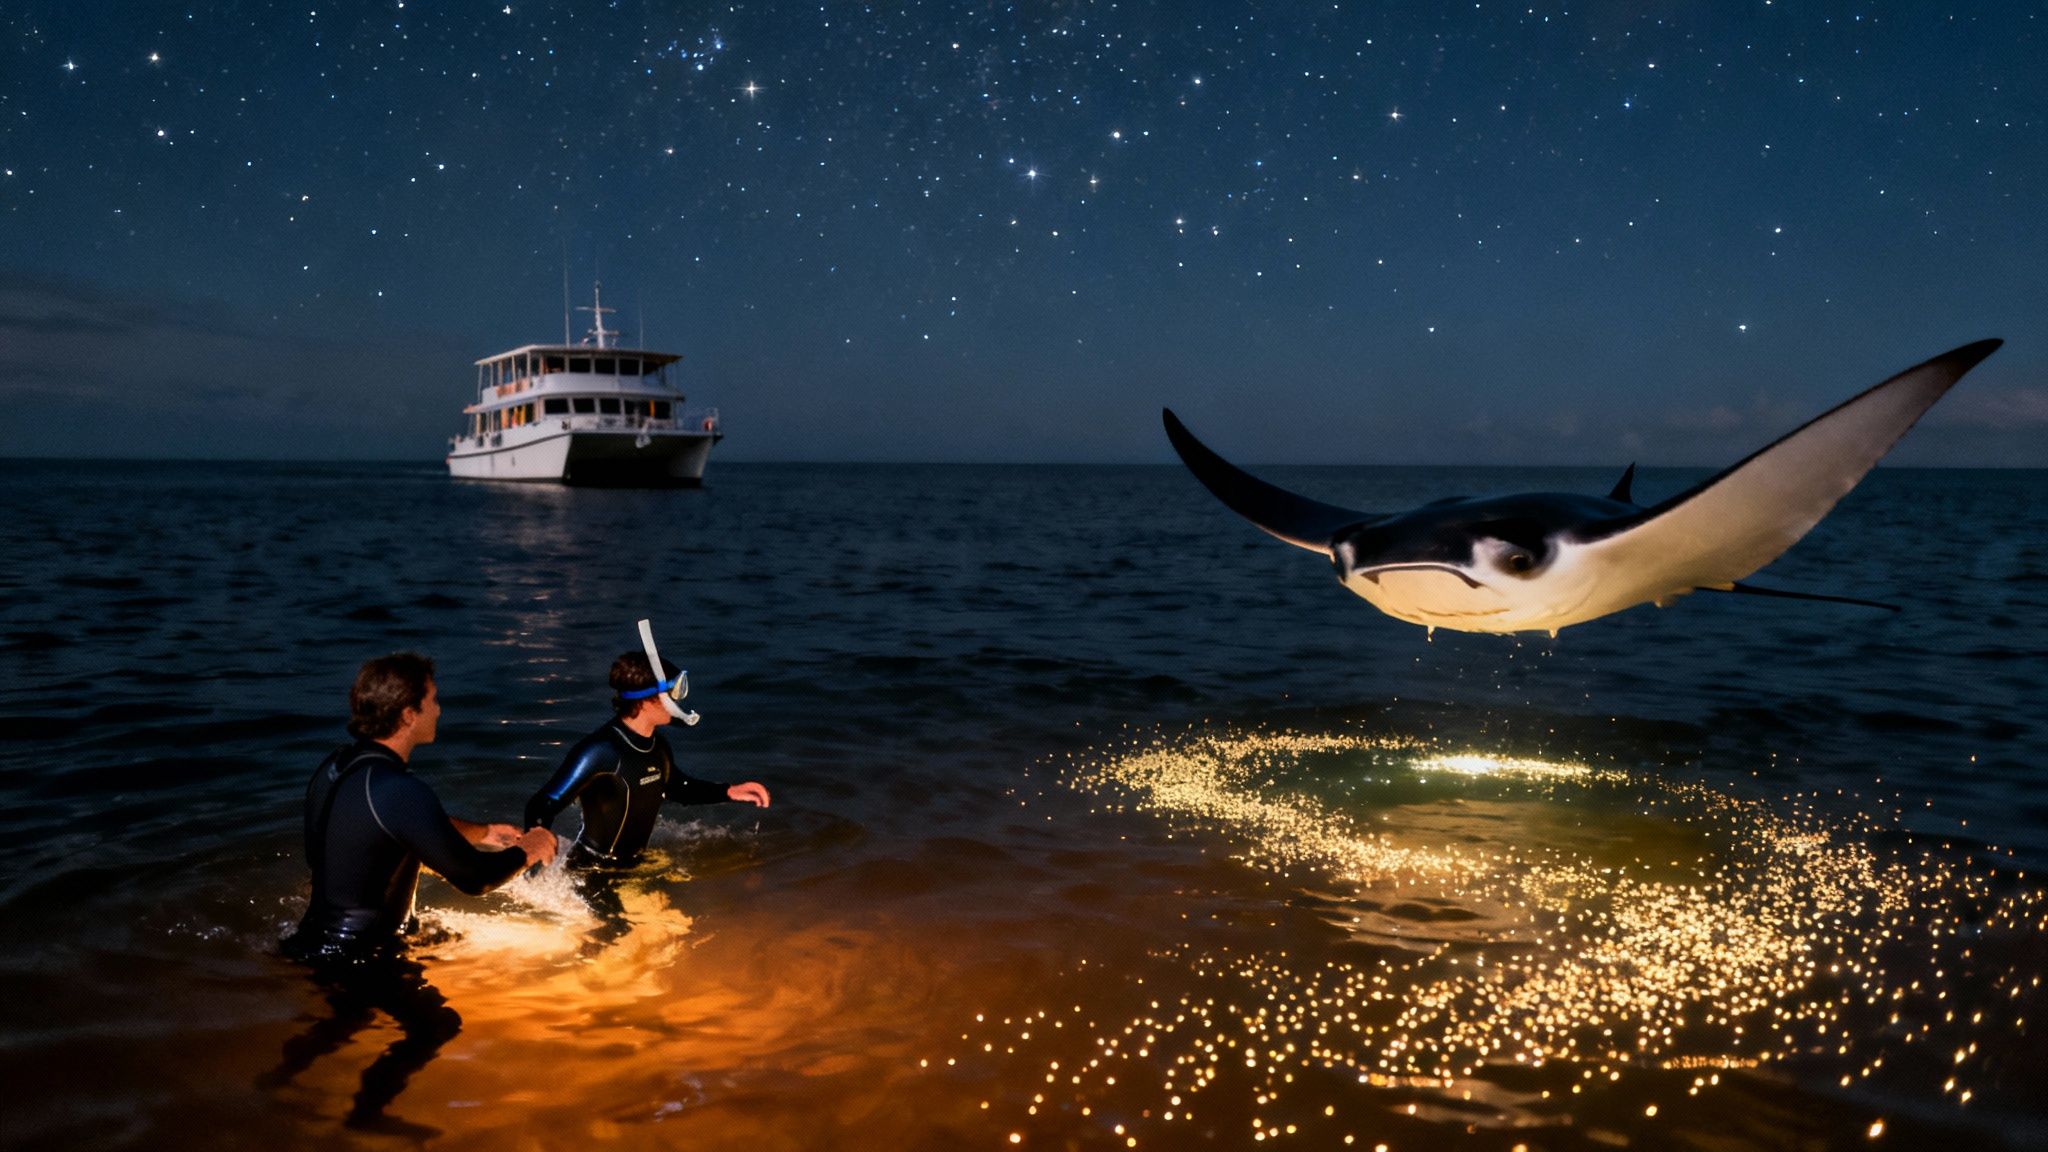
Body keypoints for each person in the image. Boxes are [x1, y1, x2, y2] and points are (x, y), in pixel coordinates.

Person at [267, 652, 556, 1132]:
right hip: (361, 952)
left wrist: (483, 831)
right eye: (433, 700)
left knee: (348, 1019)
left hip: (313, 940)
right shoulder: (401, 789)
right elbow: (474, 880)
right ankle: (366, 1115)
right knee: (436, 1027)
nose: (439, 710)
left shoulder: (338, 767)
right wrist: (529, 848)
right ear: (408, 715)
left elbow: (396, 828)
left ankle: (277, 1082)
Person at [524, 650, 769, 871]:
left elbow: (678, 788)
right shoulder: (601, 750)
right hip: (595, 871)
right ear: (646, 700)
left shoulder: (657, 746)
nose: (679, 699)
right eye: (674, 691)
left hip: (633, 865)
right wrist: (536, 838)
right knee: (670, 922)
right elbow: (544, 802)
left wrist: (728, 791)